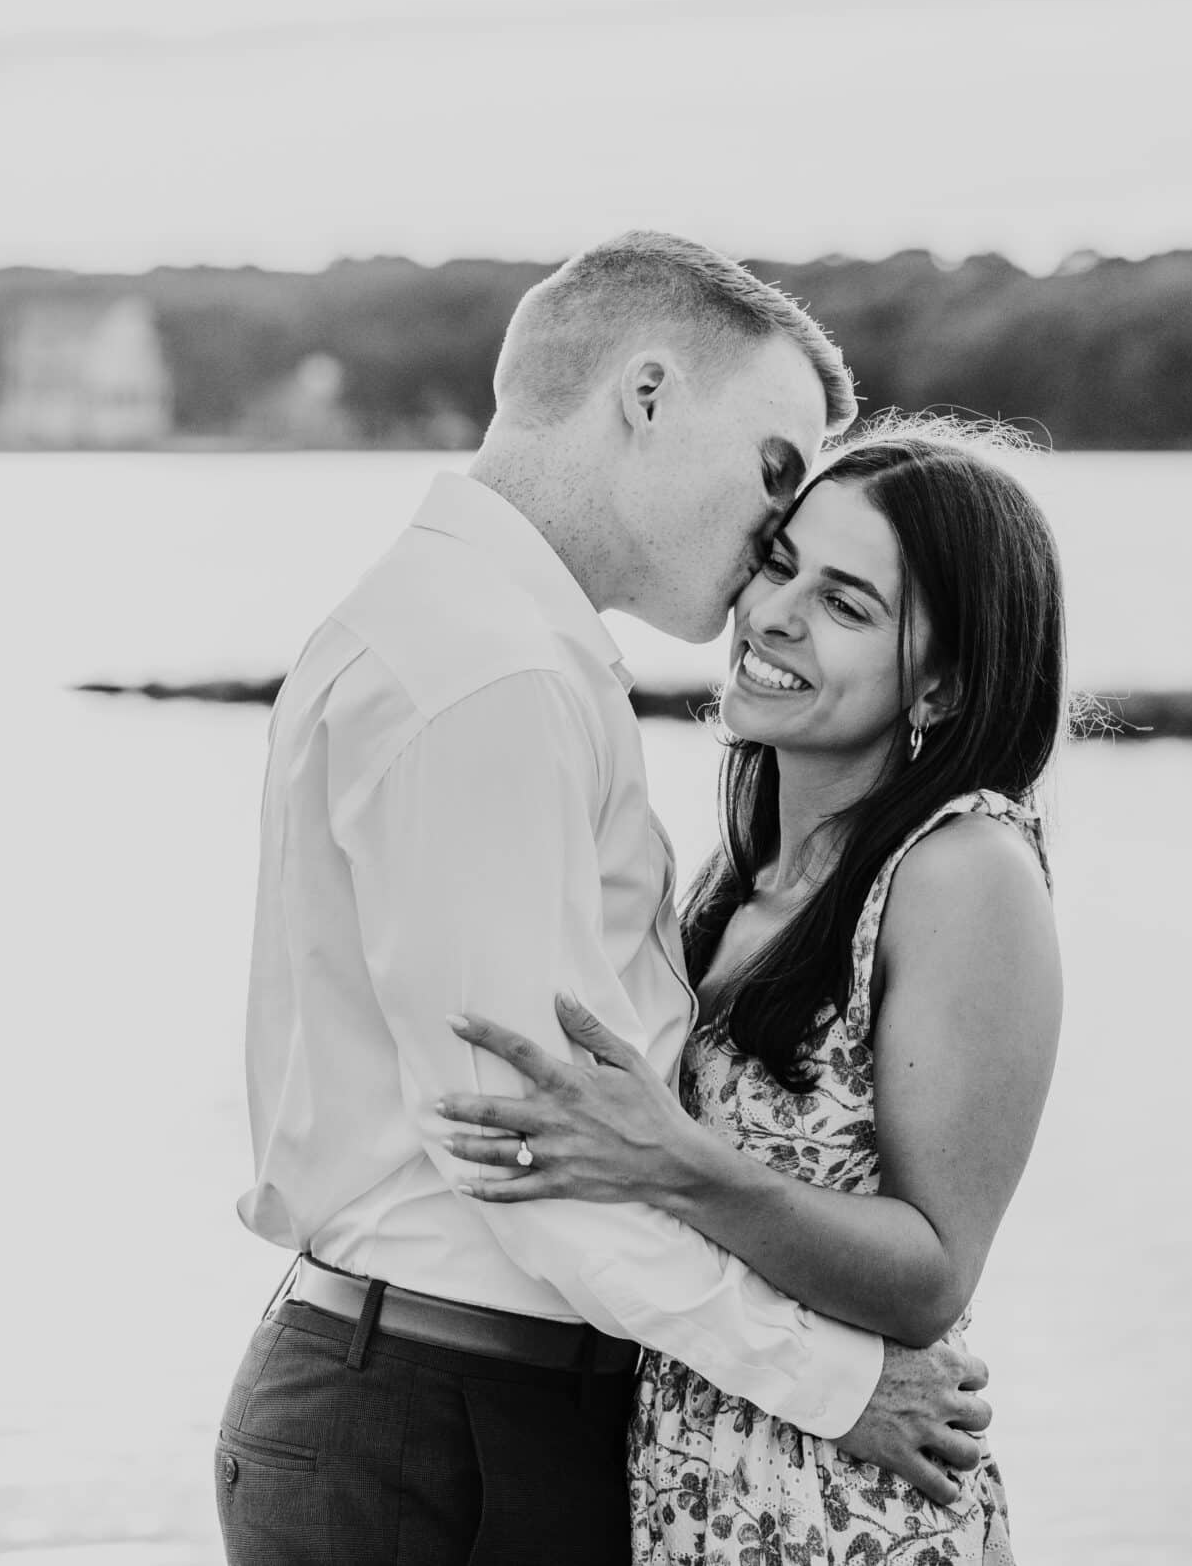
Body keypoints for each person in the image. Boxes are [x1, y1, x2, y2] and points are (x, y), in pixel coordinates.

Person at [220, 235, 991, 1566]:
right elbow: (530, 1155)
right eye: (770, 473)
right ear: (645, 397)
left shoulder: (491, 637)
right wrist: (839, 1384)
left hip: (439, 1406)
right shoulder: (490, 672)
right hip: (447, 1423)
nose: (772, 543)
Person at [434, 417, 1068, 1564]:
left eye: (847, 603)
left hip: (848, 1511)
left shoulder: (961, 871)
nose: (774, 613)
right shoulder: (744, 873)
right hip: (688, 1488)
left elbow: (929, 1275)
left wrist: (667, 1158)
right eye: (780, 563)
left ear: (945, 678)